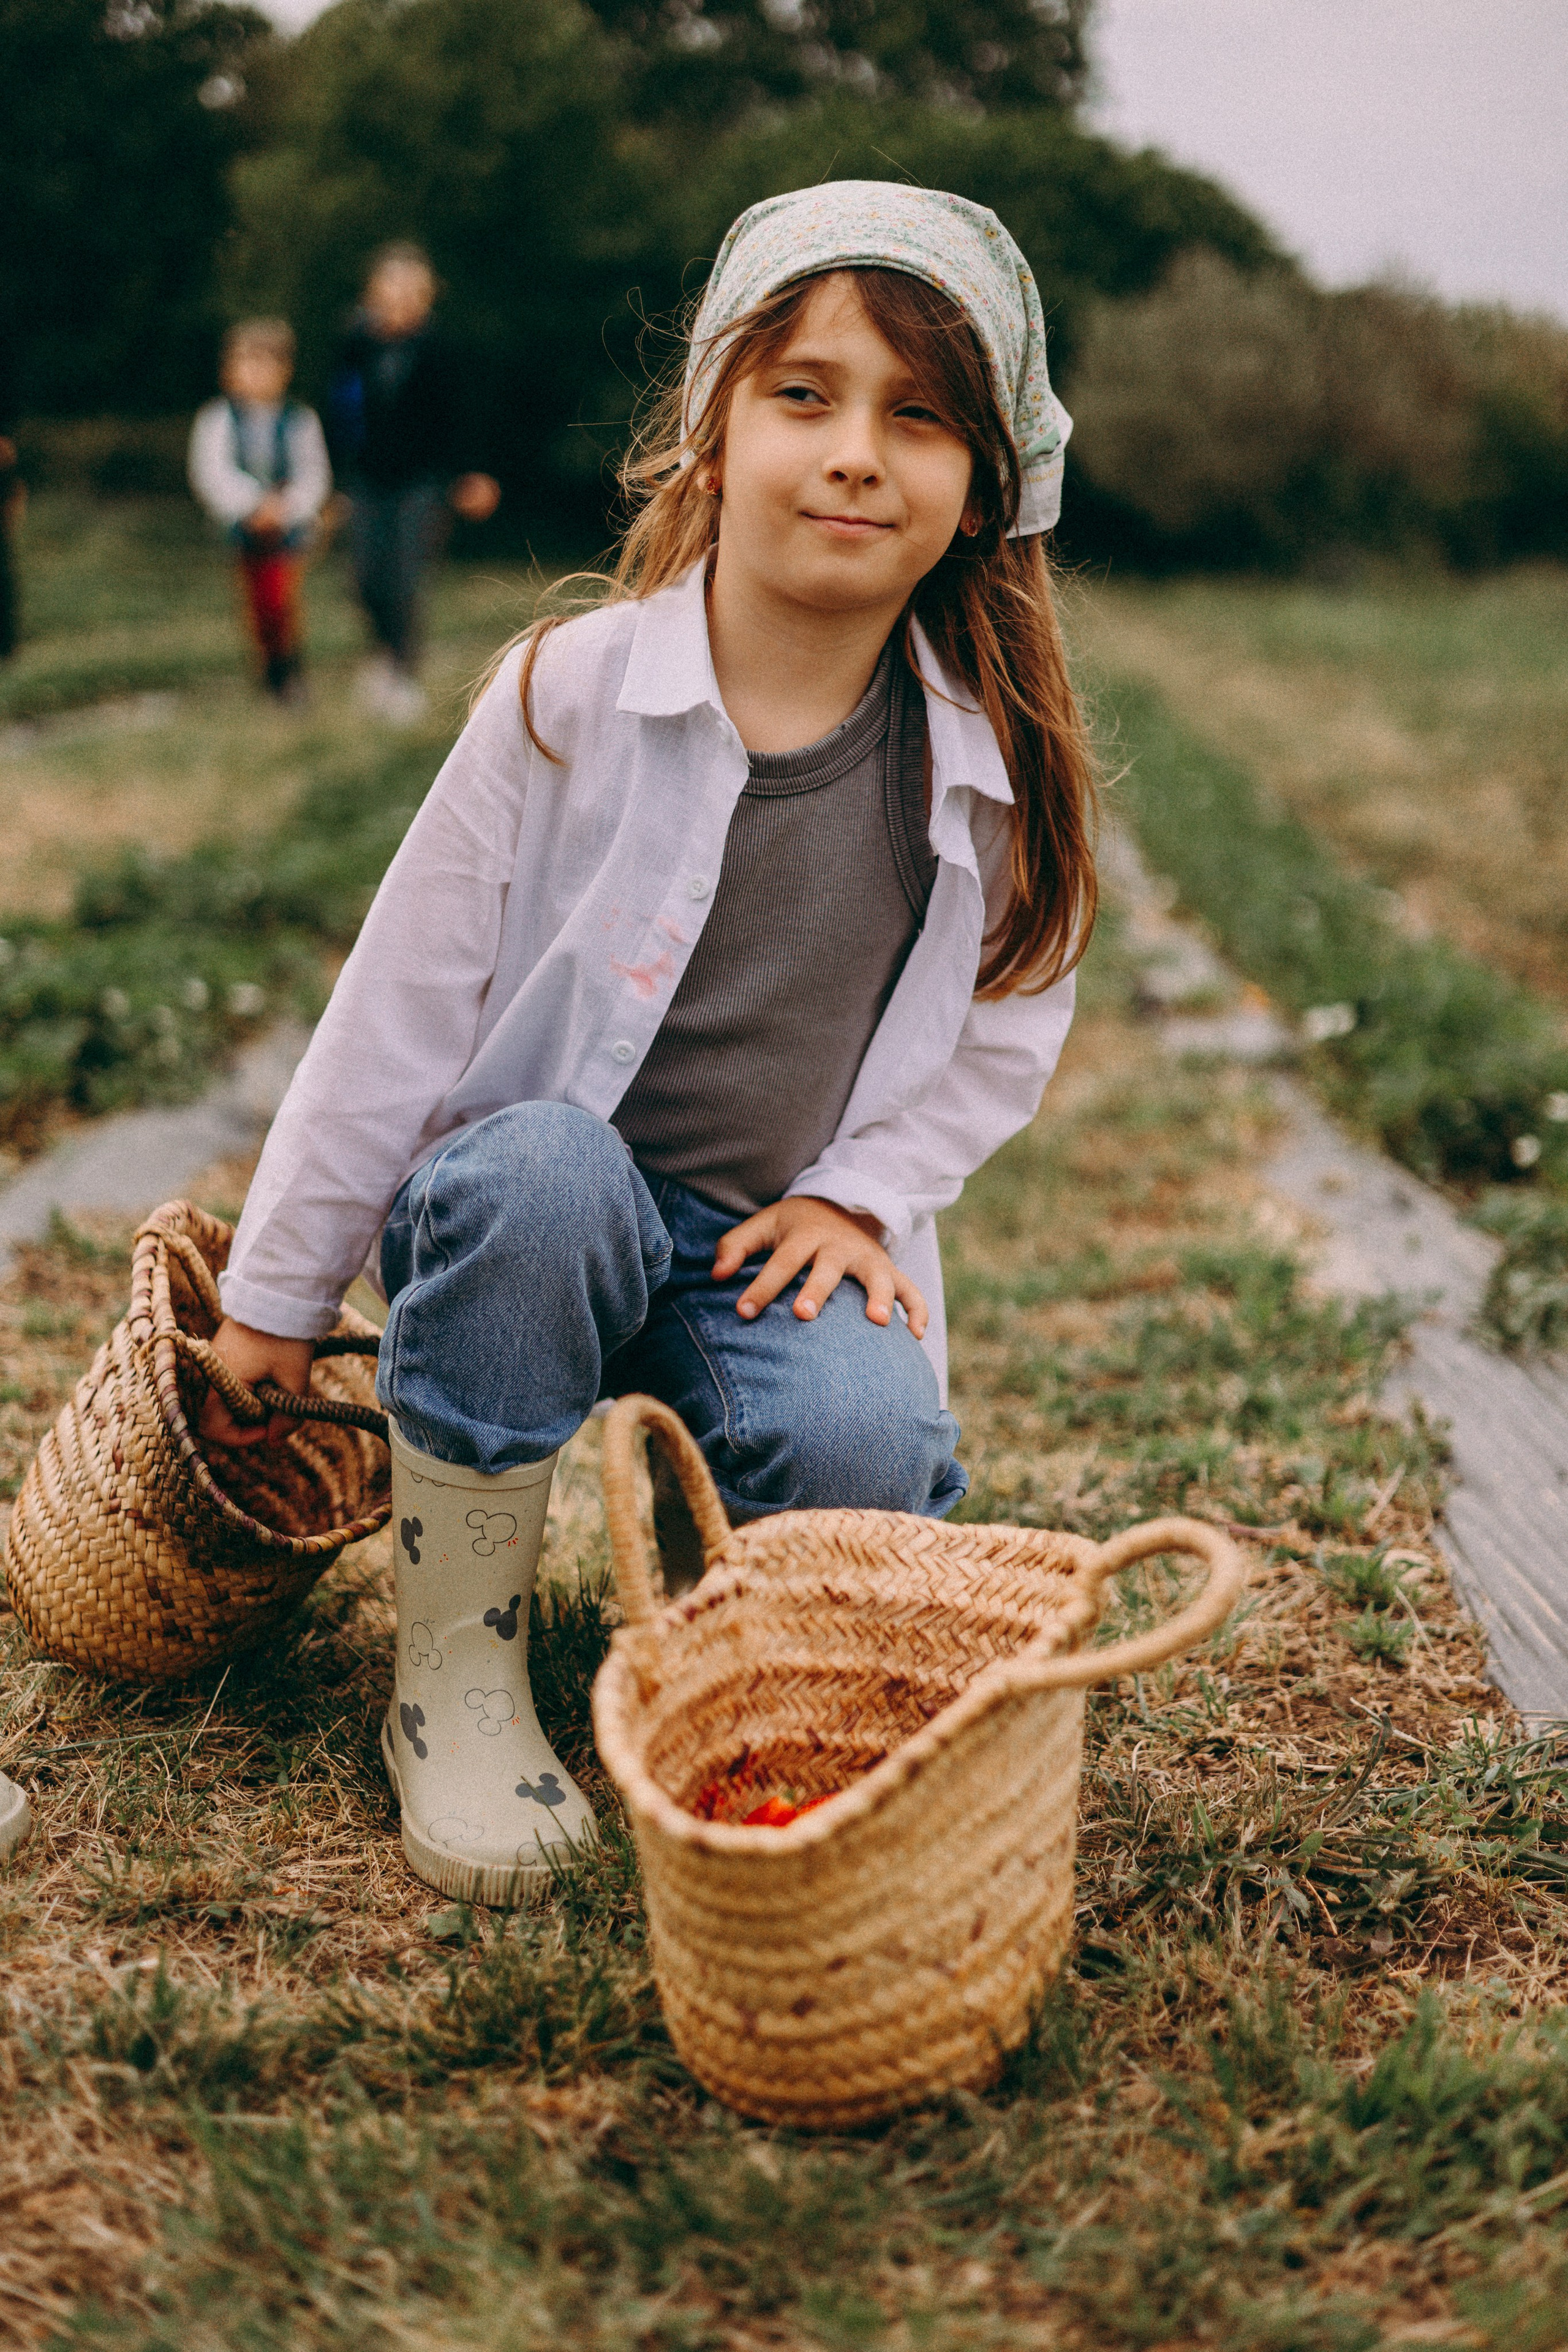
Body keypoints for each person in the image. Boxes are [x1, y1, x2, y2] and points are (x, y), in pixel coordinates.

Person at [200, 183, 1097, 1905]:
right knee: (546, 1168)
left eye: (920, 417)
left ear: (985, 486)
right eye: (806, 395)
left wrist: (865, 1194)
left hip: (760, 1242)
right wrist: (274, 1307)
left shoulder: (978, 765)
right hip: (524, 1221)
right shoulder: (570, 695)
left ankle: (723, 1607)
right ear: (711, 431)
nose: (857, 454)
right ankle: (456, 1664)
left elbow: (1004, 1032)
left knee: (858, 1439)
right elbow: (393, 1013)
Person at [328, 243, 500, 724]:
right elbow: (339, 412)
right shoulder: (353, 346)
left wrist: (472, 473)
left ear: (428, 297)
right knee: (365, 575)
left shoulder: (440, 349)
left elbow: (461, 417)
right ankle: (380, 655)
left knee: (406, 575)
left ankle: (401, 672)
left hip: (423, 482)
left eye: (414, 291)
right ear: (372, 292)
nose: (402, 299)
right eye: (393, 287)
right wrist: (335, 479)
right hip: (366, 479)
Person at [187, 318, 332, 703]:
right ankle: (267, 667)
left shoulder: (300, 421)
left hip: (288, 528)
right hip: (242, 527)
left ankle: (288, 668)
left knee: (282, 597)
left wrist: (284, 509)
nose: (256, 374)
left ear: (285, 371)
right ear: (229, 371)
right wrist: (251, 504)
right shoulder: (218, 420)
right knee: (254, 601)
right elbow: (211, 472)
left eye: (267, 365)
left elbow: (314, 475)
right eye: (247, 364)